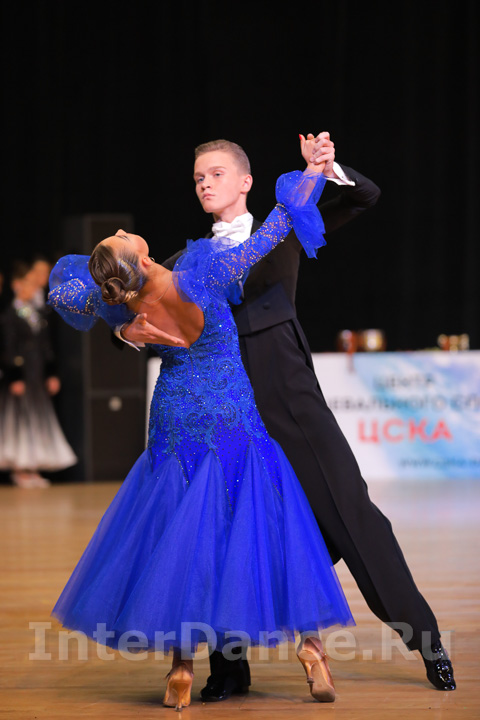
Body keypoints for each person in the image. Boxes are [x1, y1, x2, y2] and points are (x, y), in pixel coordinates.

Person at [120, 133, 456, 697]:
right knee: (223, 527)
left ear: (245, 181)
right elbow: (128, 312)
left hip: (284, 389)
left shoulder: (288, 221)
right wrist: (129, 333)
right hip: (221, 401)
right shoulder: (184, 261)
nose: (205, 183)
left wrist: (327, 168)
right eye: (198, 177)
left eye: (217, 173)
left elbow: (364, 197)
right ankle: (229, 668)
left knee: (350, 513)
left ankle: (426, 641)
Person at [48, 147, 355, 710]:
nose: (124, 230)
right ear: (142, 258)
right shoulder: (205, 270)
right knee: (270, 522)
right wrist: (312, 173)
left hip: (176, 416)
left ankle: (182, 669)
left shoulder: (126, 300)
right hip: (230, 412)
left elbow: (64, 293)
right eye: (123, 238)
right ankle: (312, 651)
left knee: (180, 533)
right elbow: (276, 227)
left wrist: (124, 329)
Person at [0, 261, 77, 487]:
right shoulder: (10, 314)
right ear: (16, 285)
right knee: (20, 420)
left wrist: (51, 372)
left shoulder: (38, 314)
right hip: (22, 374)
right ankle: (19, 468)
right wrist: (15, 376)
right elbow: (9, 348)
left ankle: (32, 466)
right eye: (27, 284)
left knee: (37, 419)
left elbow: (46, 346)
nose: (31, 289)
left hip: (36, 374)